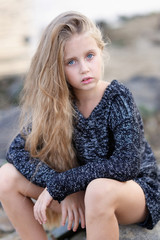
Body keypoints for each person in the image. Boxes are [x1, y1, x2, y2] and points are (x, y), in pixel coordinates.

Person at [0, 11, 159, 240]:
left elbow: (126, 165)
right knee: (6, 176)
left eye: (90, 56)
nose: (84, 68)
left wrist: (64, 185)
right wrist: (65, 190)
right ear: (58, 68)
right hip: (84, 192)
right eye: (71, 62)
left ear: (101, 52)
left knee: (98, 190)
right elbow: (16, 150)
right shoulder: (57, 105)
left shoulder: (117, 97)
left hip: (133, 192)